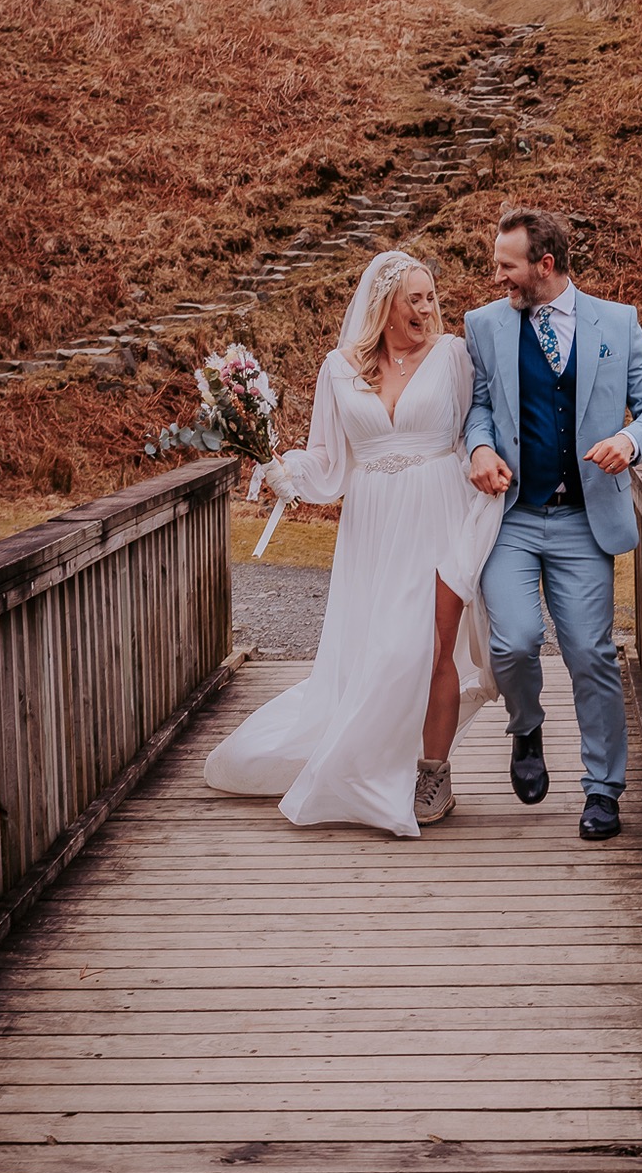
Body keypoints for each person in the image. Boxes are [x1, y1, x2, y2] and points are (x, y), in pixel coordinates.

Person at [204, 251, 502, 837]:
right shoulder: (338, 369)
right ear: (383, 306)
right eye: (414, 298)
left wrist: (486, 463)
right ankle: (376, 765)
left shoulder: (453, 355)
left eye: (430, 296)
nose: (427, 307)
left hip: (439, 513)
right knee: (382, 649)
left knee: (425, 648)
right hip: (373, 525)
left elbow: (476, 430)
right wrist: (282, 467)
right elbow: (330, 460)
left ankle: (428, 771)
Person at [465, 208, 642, 842]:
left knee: (591, 653)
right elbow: (475, 406)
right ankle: (526, 727)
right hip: (513, 518)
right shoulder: (484, 325)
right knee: (514, 642)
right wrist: (479, 449)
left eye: (507, 264)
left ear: (544, 265)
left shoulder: (617, 322)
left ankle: (603, 789)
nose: (496, 274)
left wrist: (631, 441)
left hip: (585, 522)